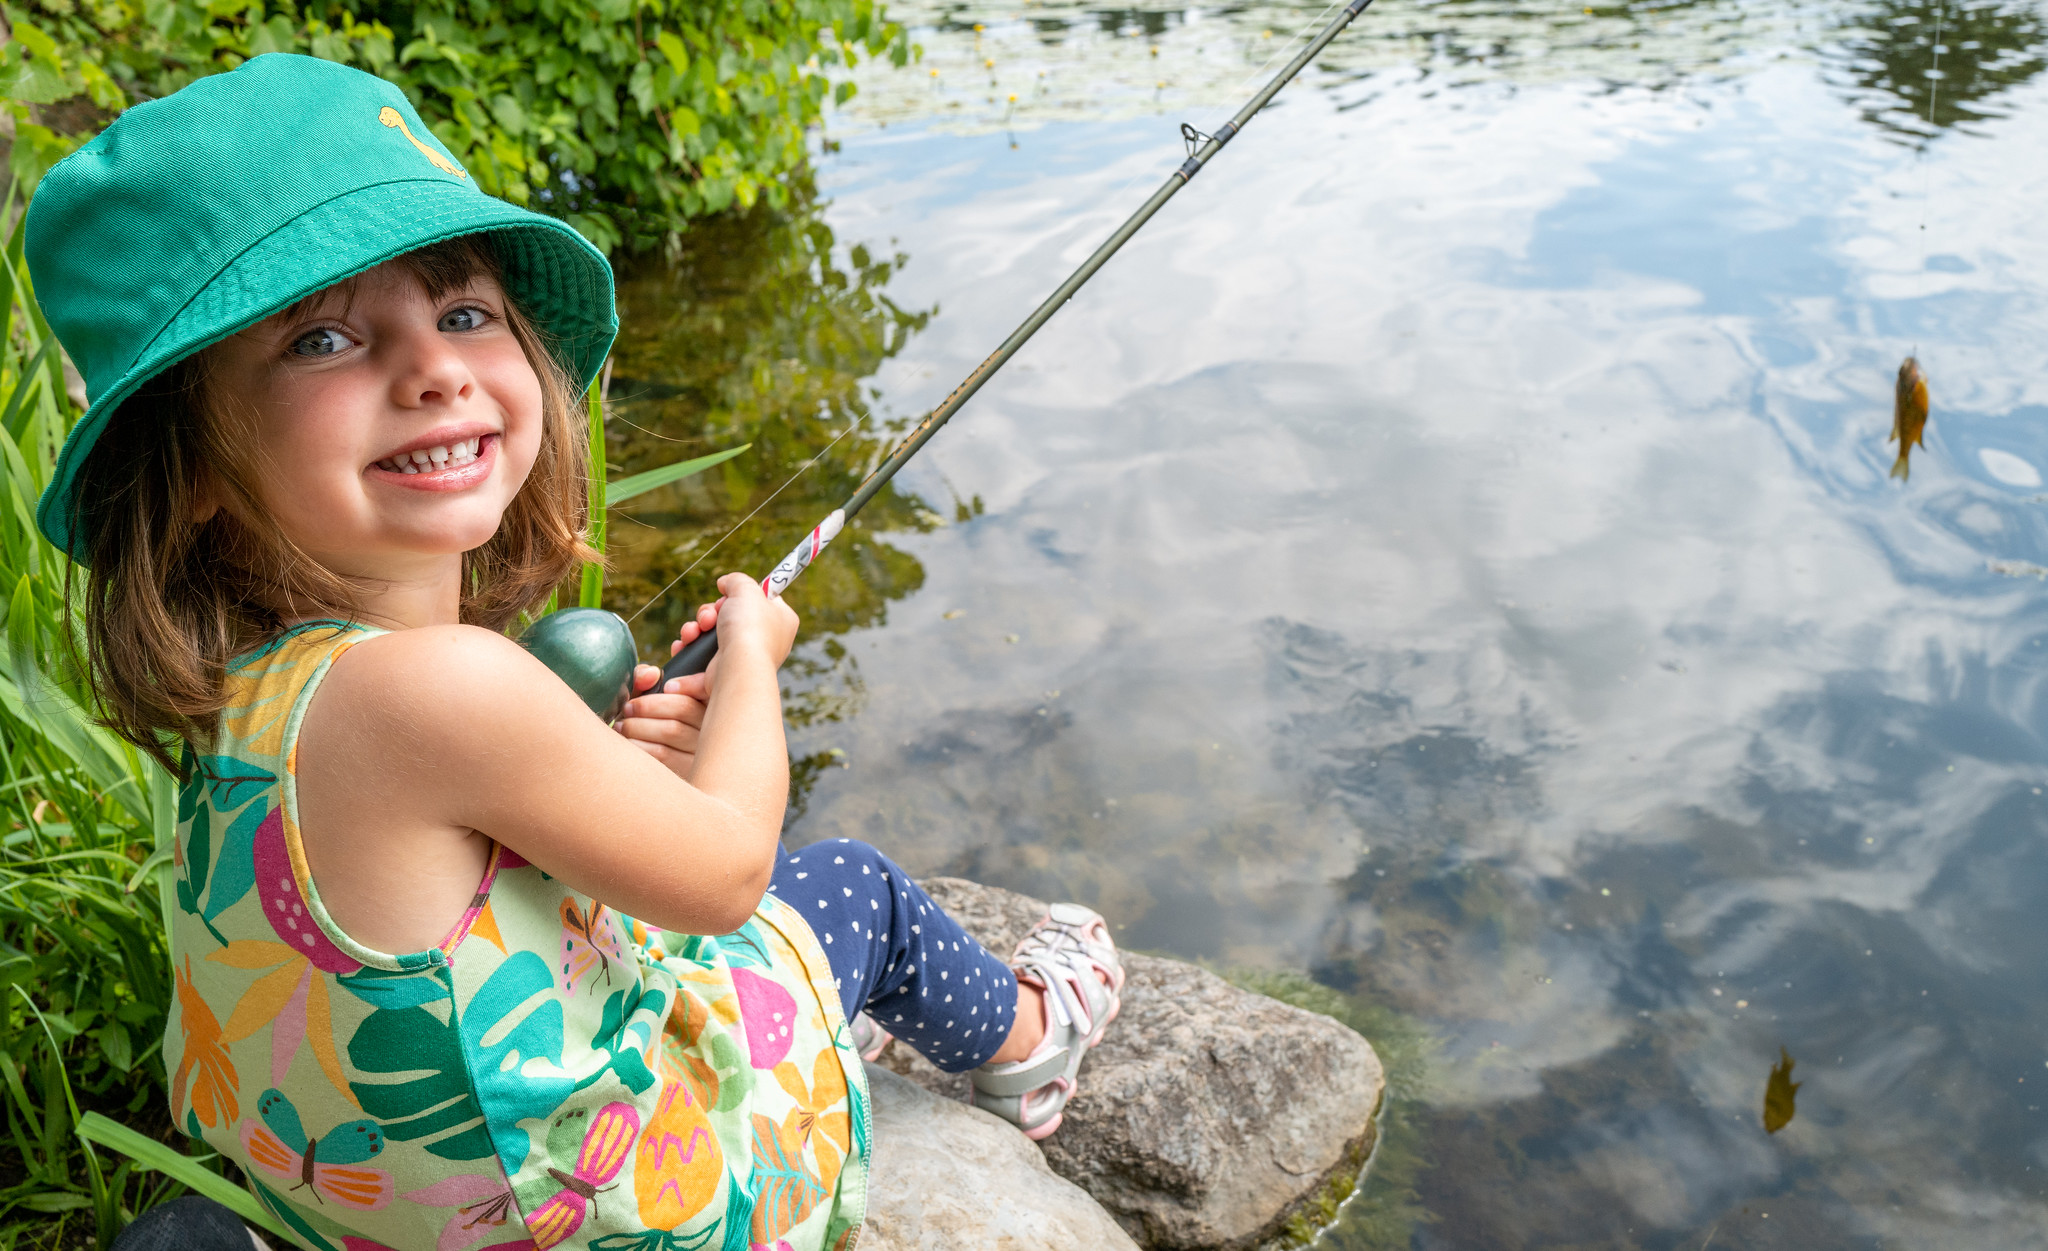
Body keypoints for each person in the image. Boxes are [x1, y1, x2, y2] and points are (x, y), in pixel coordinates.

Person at [33, 54, 1124, 1251]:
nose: (434, 367)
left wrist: (596, 766)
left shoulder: (257, 690)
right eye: (323, 341)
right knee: (848, 890)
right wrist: (751, 661)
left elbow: (435, 885)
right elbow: (719, 877)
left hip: (354, 1206)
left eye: (461, 313)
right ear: (186, 465)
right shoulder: (441, 684)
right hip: (628, 1211)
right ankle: (1033, 1041)